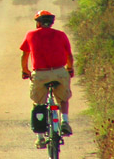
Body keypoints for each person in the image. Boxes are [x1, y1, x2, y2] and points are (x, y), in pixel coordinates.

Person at [19, 10, 74, 149]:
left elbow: (24, 56)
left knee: (38, 103)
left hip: (40, 74)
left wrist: (25, 71)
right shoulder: (61, 35)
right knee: (62, 99)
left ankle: (40, 138)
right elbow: (69, 56)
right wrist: (70, 69)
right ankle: (64, 121)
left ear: (38, 23)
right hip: (59, 73)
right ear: (51, 23)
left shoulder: (31, 35)